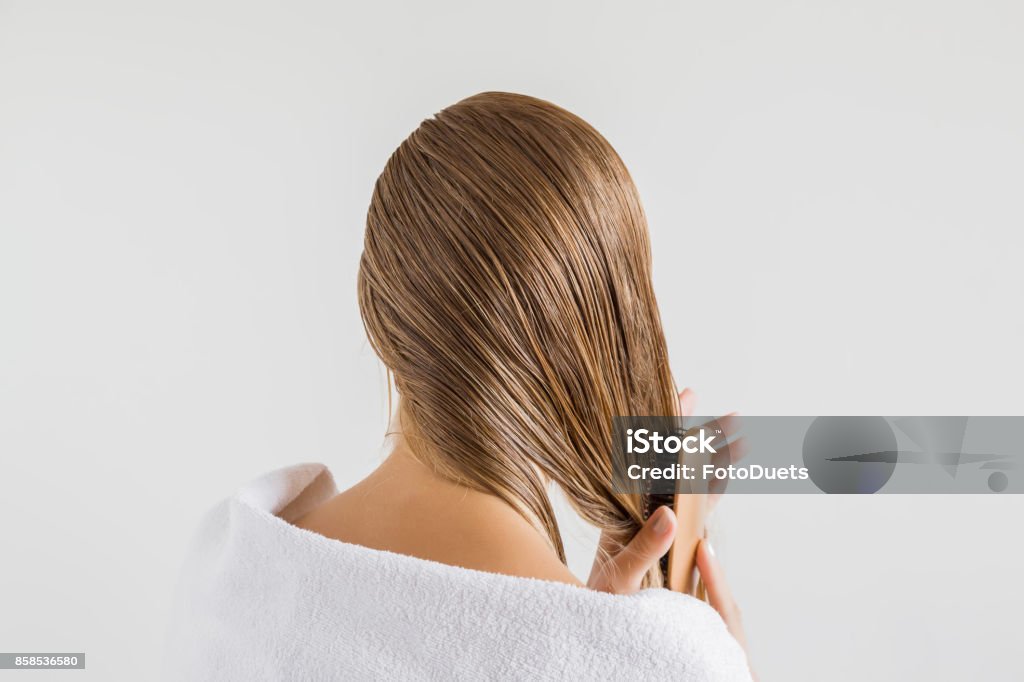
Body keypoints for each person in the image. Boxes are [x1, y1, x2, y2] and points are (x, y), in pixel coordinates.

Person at [165, 92, 754, 681]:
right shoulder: (667, 666)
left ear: (380, 319)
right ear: (608, 336)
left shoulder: (226, 574)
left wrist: (601, 630)